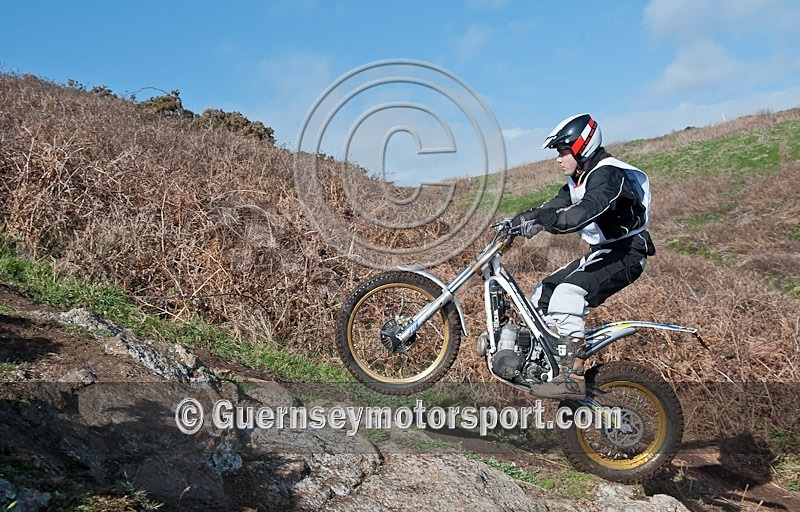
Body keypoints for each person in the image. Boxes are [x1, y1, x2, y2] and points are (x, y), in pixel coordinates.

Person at [511, 113, 655, 398]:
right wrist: (519, 221)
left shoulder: (608, 174)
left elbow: (584, 211)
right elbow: (555, 205)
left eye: (563, 151)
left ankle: (573, 374)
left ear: (583, 146)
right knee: (543, 294)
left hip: (627, 252)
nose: (558, 158)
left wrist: (545, 220)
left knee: (566, 296)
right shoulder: (579, 178)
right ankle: (546, 364)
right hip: (603, 252)